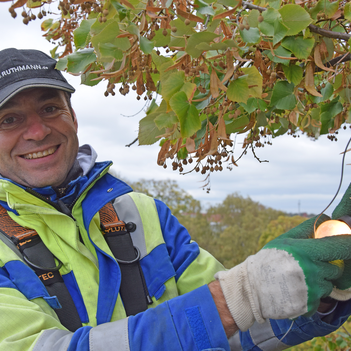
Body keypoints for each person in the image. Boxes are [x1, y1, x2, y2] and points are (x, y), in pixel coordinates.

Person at [0, 47, 351, 351]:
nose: (38, 131)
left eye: (49, 109)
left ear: (73, 117)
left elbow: (232, 330)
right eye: (9, 119)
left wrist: (320, 293)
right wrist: (238, 297)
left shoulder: (141, 212)